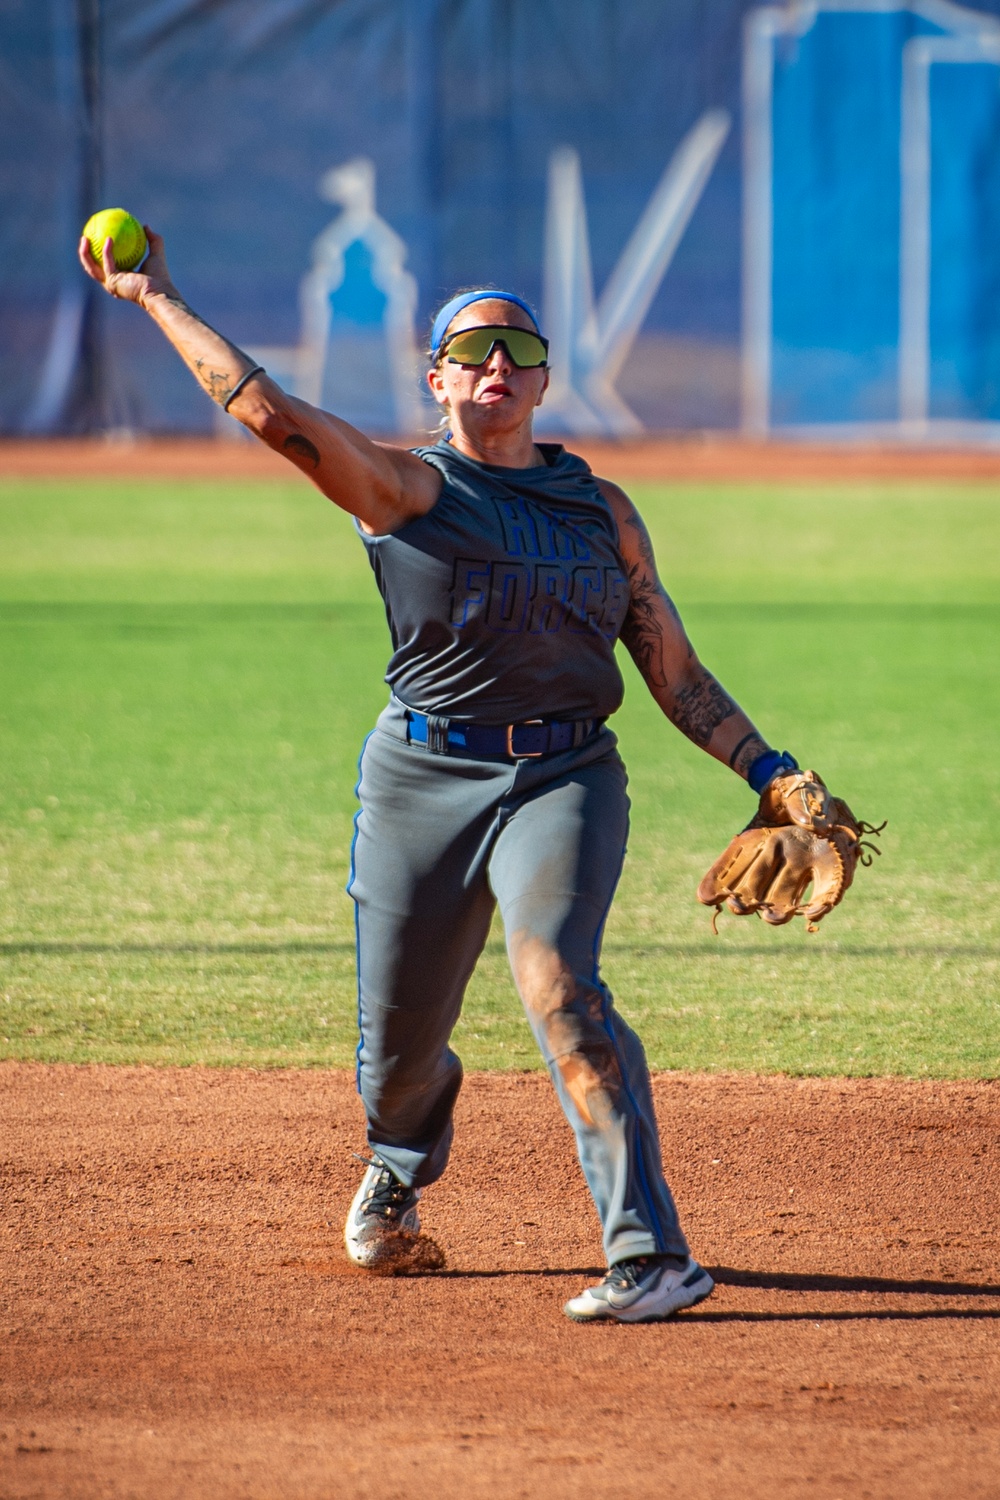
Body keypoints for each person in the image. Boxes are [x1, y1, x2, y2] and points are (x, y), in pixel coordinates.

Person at [80, 228, 798, 1323]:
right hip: (419, 779)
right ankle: (399, 1166)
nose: (496, 365)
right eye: (472, 351)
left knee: (562, 989)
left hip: (563, 778)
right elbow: (270, 414)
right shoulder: (405, 491)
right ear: (437, 378)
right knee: (396, 1055)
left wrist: (771, 771)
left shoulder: (601, 513)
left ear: (545, 377)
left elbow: (672, 668)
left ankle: (650, 1254)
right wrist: (156, 296)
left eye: (517, 347)